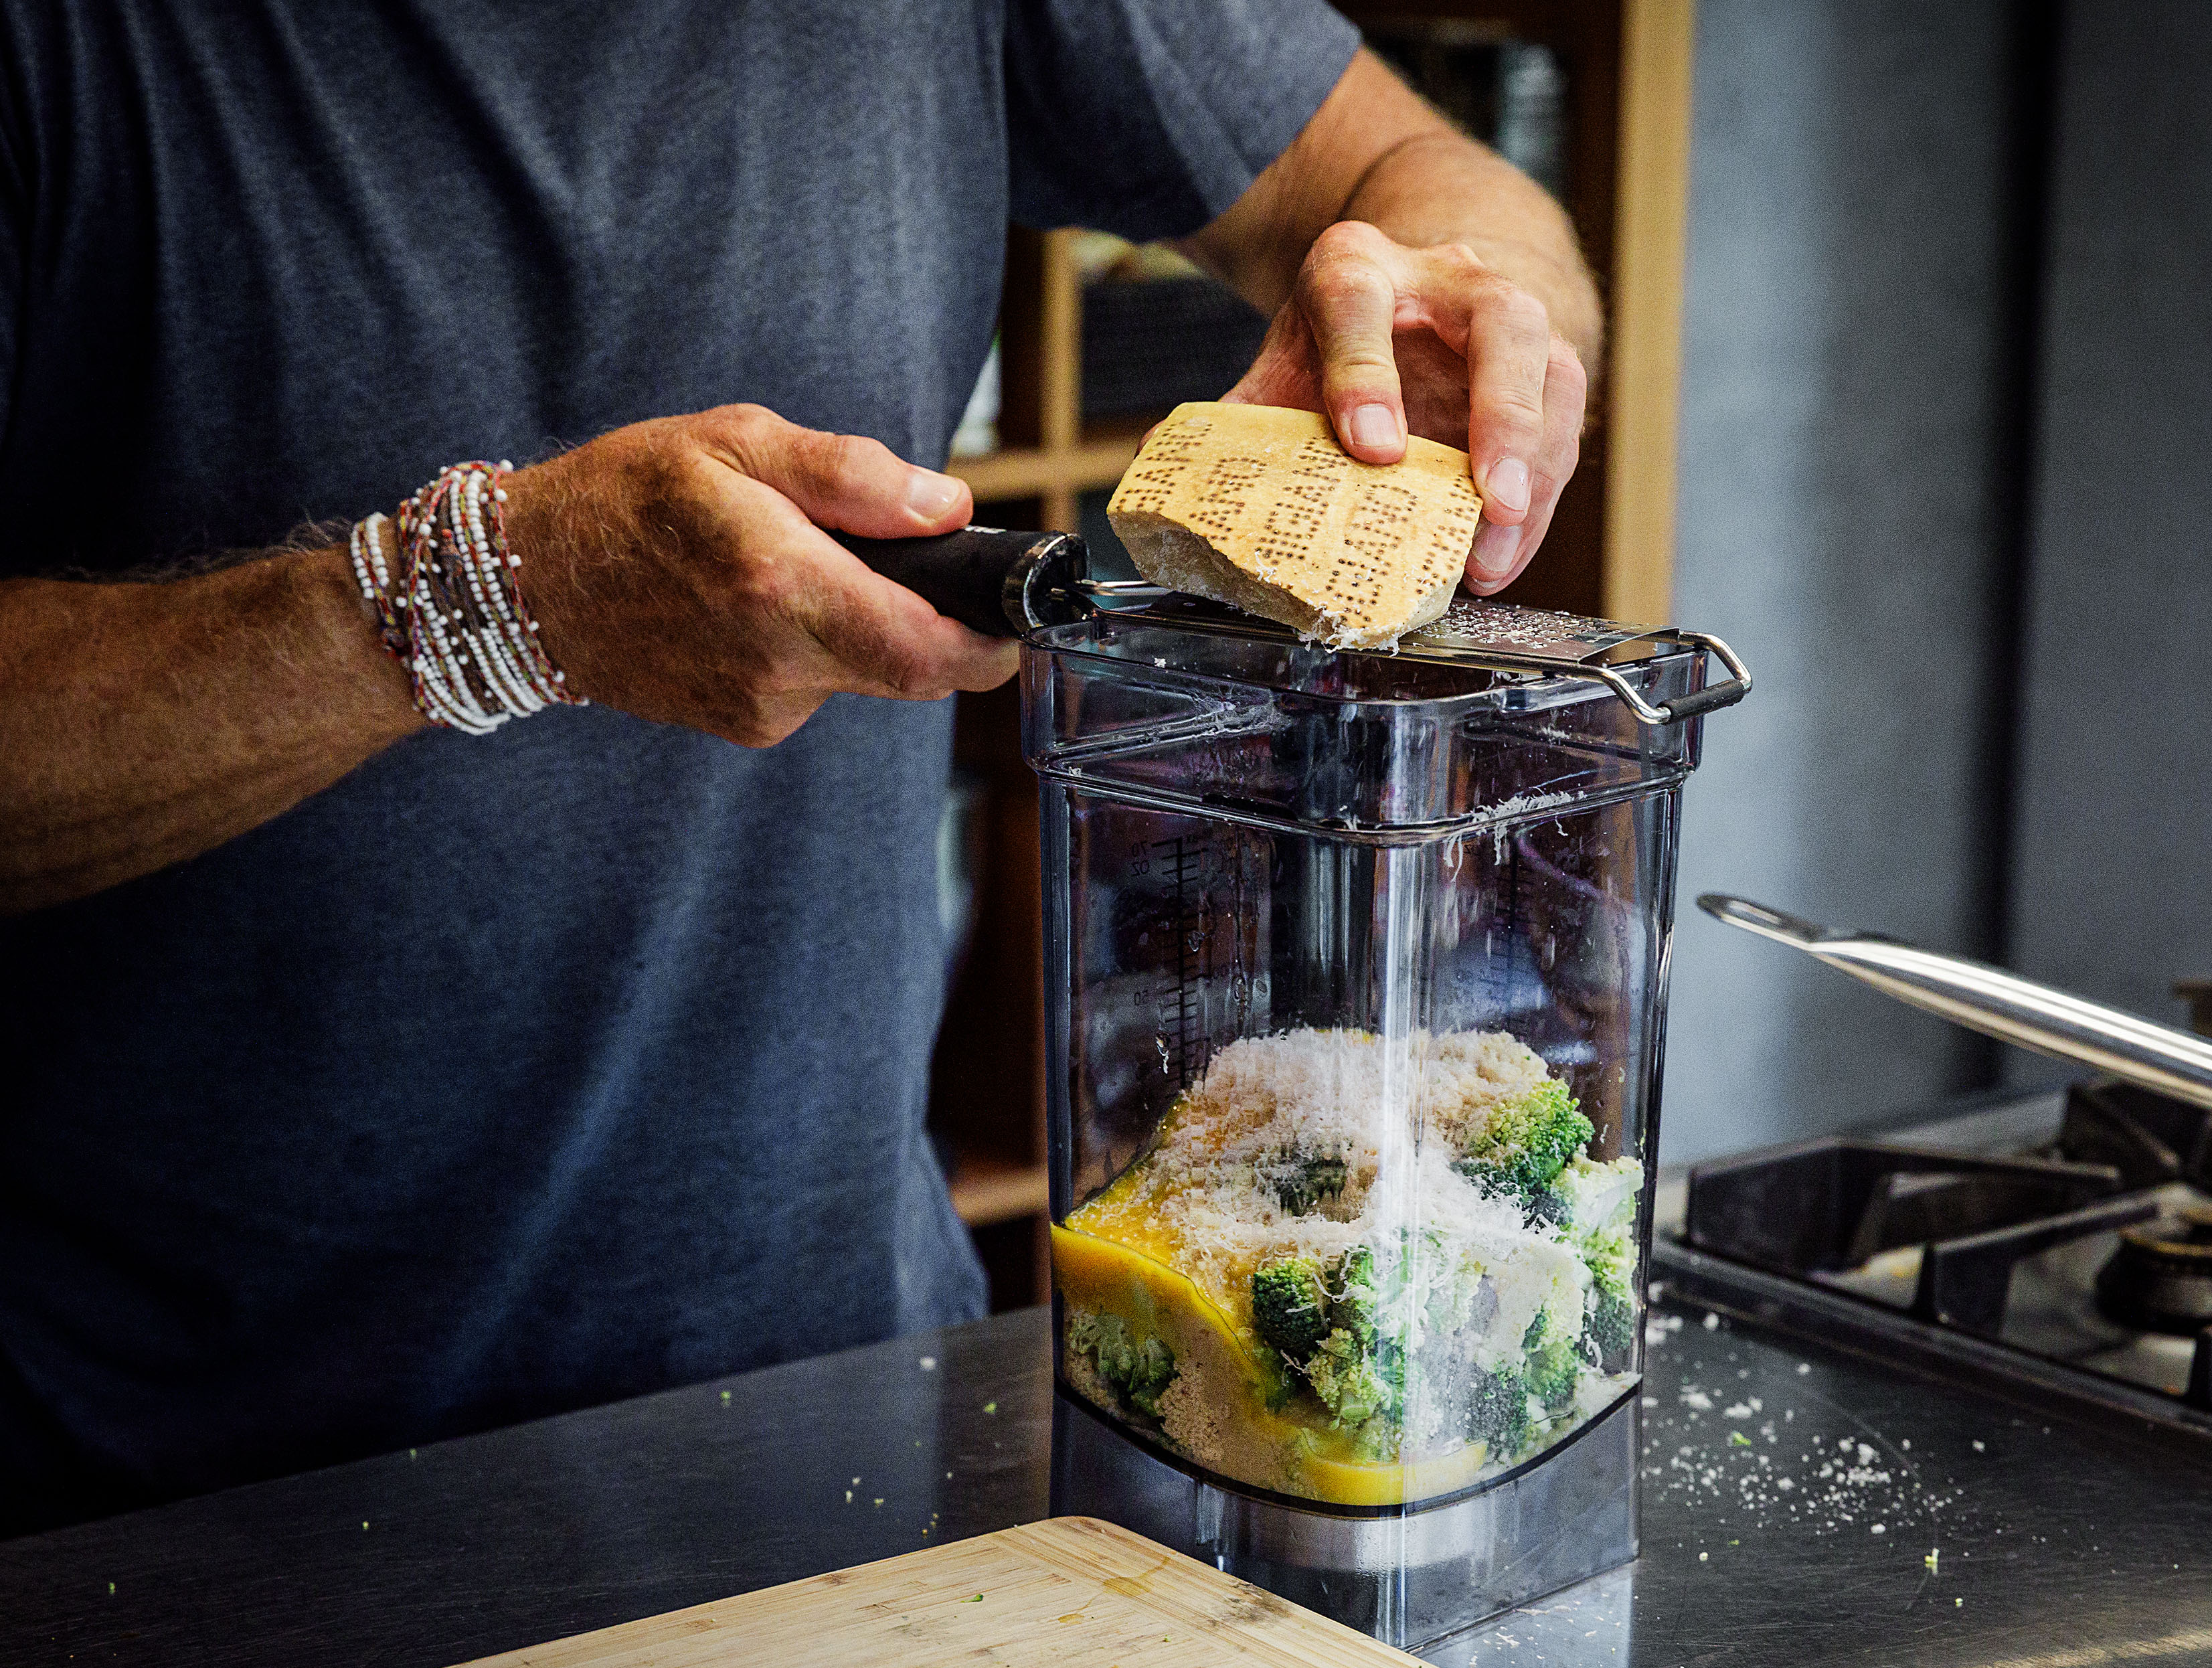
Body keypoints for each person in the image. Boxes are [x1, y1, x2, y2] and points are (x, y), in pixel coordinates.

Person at [0, 0, 1599, 1535]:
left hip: (839, 1394)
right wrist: (464, 600)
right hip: (163, 1485)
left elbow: (1436, 187)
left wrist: (1466, 293)